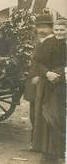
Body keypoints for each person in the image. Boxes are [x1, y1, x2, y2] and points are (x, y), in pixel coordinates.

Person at [32, 17, 66, 162]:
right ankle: (50, 155)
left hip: (63, 86)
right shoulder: (47, 44)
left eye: (62, 30)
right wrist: (47, 73)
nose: (59, 32)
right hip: (50, 88)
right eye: (57, 30)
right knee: (50, 119)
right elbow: (37, 63)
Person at [24, 13, 54, 149]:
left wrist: (41, 76)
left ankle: (41, 144)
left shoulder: (52, 43)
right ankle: (36, 143)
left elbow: (50, 65)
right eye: (39, 27)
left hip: (44, 84)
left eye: (44, 28)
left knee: (41, 114)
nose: (41, 30)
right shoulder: (41, 42)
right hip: (36, 83)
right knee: (34, 114)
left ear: (51, 28)